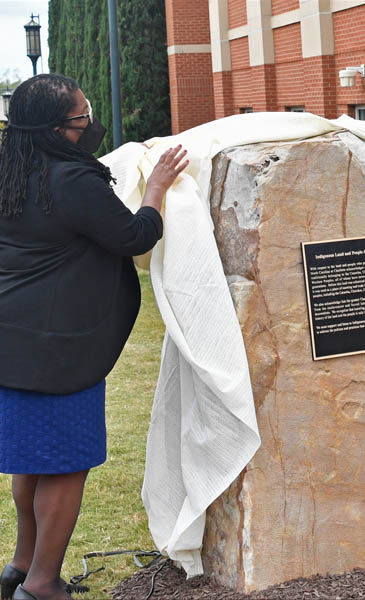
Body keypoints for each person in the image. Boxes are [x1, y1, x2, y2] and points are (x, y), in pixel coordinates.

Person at [0, 74, 188, 600]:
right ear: (58, 129)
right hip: (59, 348)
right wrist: (155, 191)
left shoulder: (11, 169)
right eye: (83, 117)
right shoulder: (70, 179)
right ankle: (41, 586)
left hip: (11, 339)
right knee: (64, 463)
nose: (90, 123)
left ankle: (19, 567)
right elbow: (134, 235)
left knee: (33, 460)